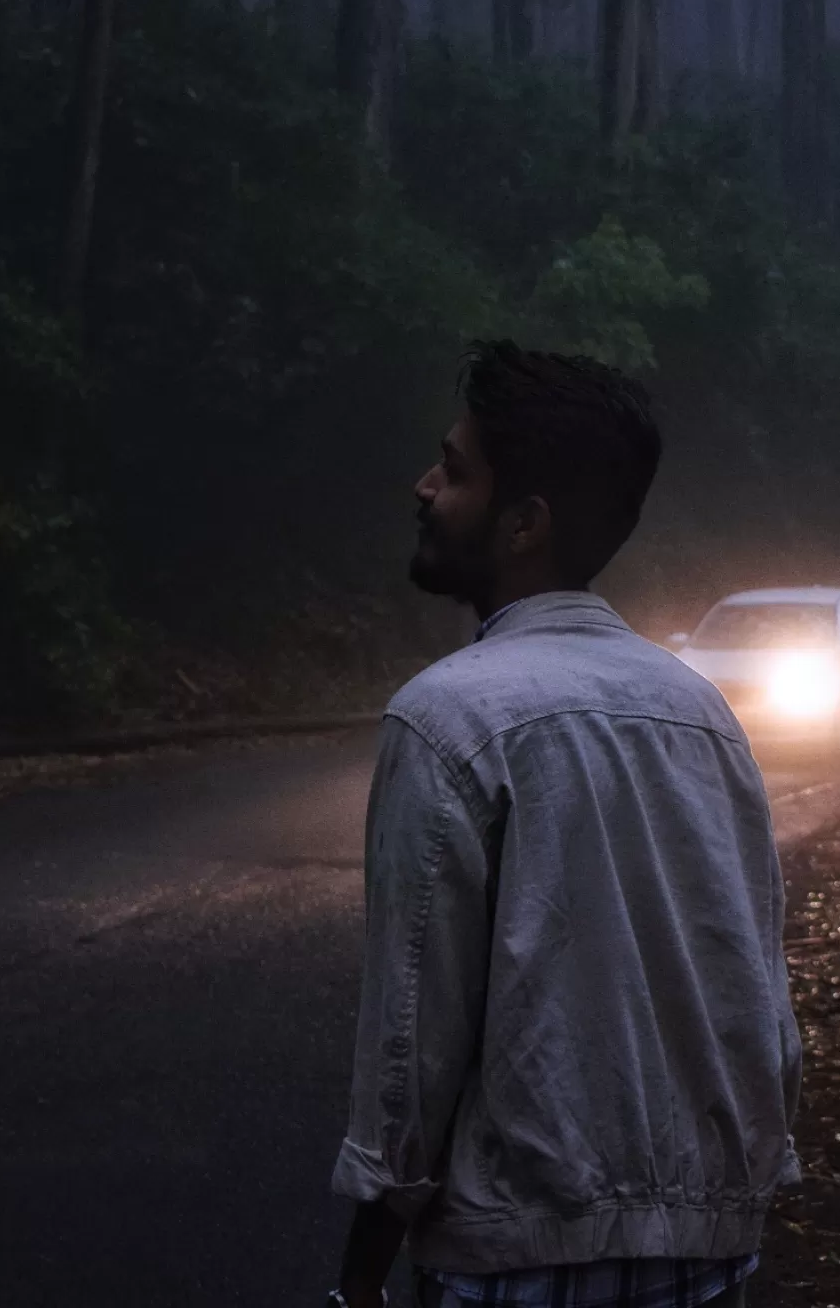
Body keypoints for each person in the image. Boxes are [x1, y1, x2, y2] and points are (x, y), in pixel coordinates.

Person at [327, 342, 801, 1308]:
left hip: (516, 1260)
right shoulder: (704, 714)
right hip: (707, 1252)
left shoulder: (445, 717)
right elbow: (759, 1000)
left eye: (454, 471)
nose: (423, 488)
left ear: (523, 525)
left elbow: (413, 1044)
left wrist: (361, 1271)